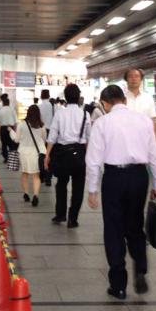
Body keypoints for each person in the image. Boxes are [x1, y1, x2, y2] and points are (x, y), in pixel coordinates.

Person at [86, 85, 156, 299]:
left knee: (113, 229)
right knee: (135, 225)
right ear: (124, 100)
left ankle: (118, 285)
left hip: (113, 178)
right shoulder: (144, 121)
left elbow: (93, 160)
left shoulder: (102, 123)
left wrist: (92, 190)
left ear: (105, 103)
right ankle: (140, 269)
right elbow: (155, 156)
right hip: (139, 177)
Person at [44, 83, 90, 228]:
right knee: (78, 187)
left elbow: (52, 136)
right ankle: (73, 219)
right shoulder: (85, 114)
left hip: (63, 153)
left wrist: (47, 155)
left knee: (61, 184)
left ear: (65, 96)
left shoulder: (60, 113)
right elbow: (88, 139)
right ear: (78, 96)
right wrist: (88, 158)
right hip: (80, 153)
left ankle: (60, 214)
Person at [10, 105, 46, 206]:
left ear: (28, 113)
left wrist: (11, 132)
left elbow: (17, 140)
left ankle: (26, 194)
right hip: (37, 153)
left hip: (24, 152)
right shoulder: (42, 126)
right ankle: (35, 196)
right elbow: (44, 140)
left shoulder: (22, 124)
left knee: (25, 174)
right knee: (36, 176)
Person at [0, 94, 18, 163]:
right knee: (11, 144)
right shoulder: (12, 110)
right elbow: (16, 121)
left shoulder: (0, 111)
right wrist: (15, 130)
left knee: (4, 144)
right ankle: (12, 158)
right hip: (11, 128)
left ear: (3, 103)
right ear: (9, 103)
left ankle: (6, 158)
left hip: (3, 129)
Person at [38, 89, 54, 186]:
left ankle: (42, 176)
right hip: (51, 131)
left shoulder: (39, 106)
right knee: (49, 154)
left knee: (41, 154)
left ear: (41, 96)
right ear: (48, 96)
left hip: (41, 131)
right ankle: (48, 178)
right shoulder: (52, 106)